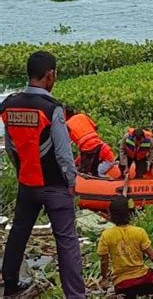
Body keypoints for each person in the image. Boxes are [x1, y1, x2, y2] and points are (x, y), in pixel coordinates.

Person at [0, 51, 85, 298]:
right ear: (50, 75)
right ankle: (75, 296)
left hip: (27, 184)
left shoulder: (9, 104)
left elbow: (12, 147)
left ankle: (10, 284)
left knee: (18, 231)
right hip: (55, 186)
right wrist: (71, 181)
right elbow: (63, 153)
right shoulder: (52, 108)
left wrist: (22, 171)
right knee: (67, 242)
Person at [98, 196, 153, 299]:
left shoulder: (106, 235)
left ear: (110, 214)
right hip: (145, 280)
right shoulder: (139, 232)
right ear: (130, 213)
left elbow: (104, 262)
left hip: (123, 284)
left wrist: (104, 278)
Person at [65, 107, 115, 177]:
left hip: (86, 146)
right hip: (96, 143)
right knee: (94, 170)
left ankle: (95, 181)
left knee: (83, 171)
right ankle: (99, 179)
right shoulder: (82, 116)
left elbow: (65, 140)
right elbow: (95, 126)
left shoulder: (67, 124)